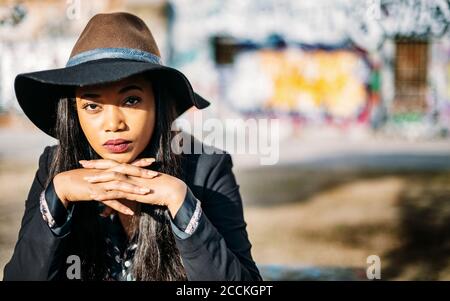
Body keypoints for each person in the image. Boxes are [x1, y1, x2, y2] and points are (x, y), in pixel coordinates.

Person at [3, 12, 261, 281]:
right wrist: (58, 196)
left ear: (158, 104)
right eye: (92, 106)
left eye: (131, 101)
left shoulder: (205, 167)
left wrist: (180, 202)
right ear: (74, 114)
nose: (113, 123)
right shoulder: (54, 167)